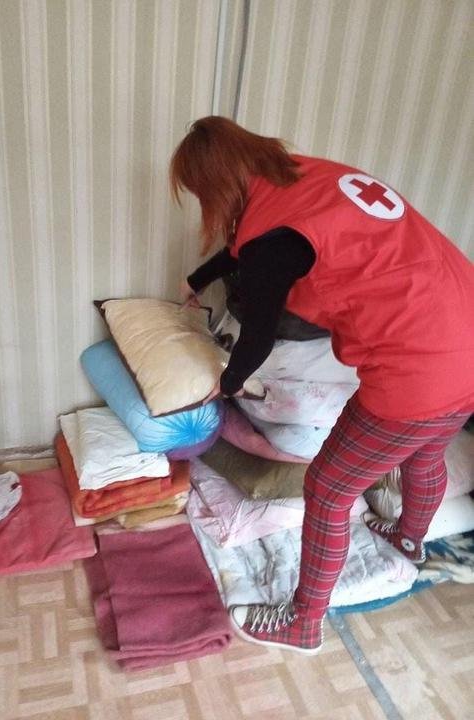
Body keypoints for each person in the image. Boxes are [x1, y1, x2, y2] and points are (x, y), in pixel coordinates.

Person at [170, 116, 474, 655]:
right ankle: (408, 541)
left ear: (216, 185)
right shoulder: (309, 178)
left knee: (329, 490)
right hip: (464, 332)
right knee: (424, 454)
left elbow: (258, 329)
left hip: (418, 368)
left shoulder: (274, 237)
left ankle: (302, 622)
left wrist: (229, 383)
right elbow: (260, 250)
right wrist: (198, 281)